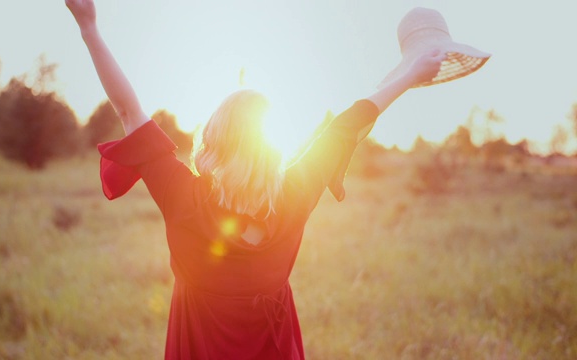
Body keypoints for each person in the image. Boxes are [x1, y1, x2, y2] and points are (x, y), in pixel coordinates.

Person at [66, 1, 444, 359]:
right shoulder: (294, 195)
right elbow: (346, 125)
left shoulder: (184, 199)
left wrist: (89, 28)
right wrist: (409, 75)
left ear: (213, 140)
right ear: (272, 147)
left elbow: (129, 111)